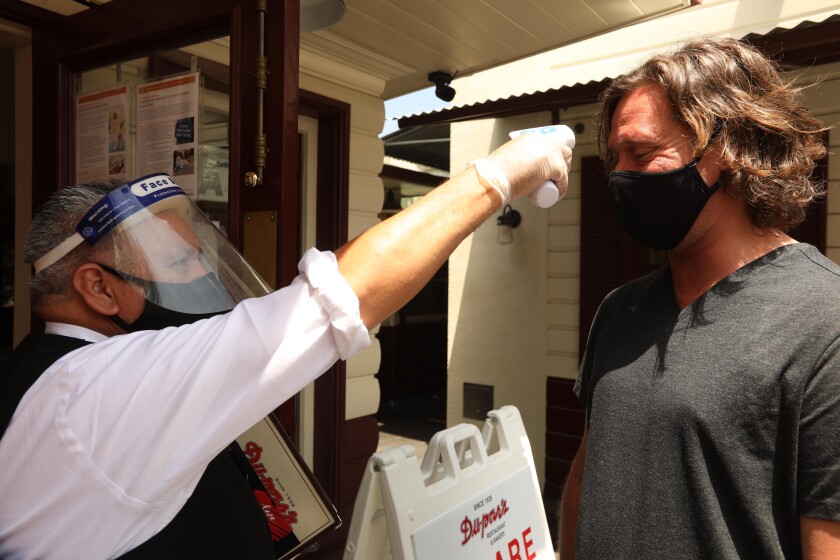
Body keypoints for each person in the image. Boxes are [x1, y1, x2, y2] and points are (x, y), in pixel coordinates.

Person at [0, 133, 572, 560]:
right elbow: (344, 295)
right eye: (180, 261)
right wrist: (498, 176)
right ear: (98, 287)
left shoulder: (66, 376)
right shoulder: (88, 395)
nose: (202, 270)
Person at [558, 36, 840, 559]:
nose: (620, 176)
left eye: (642, 153)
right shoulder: (619, 309)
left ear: (728, 149)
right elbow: (586, 474)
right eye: (615, 158)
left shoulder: (825, 320)